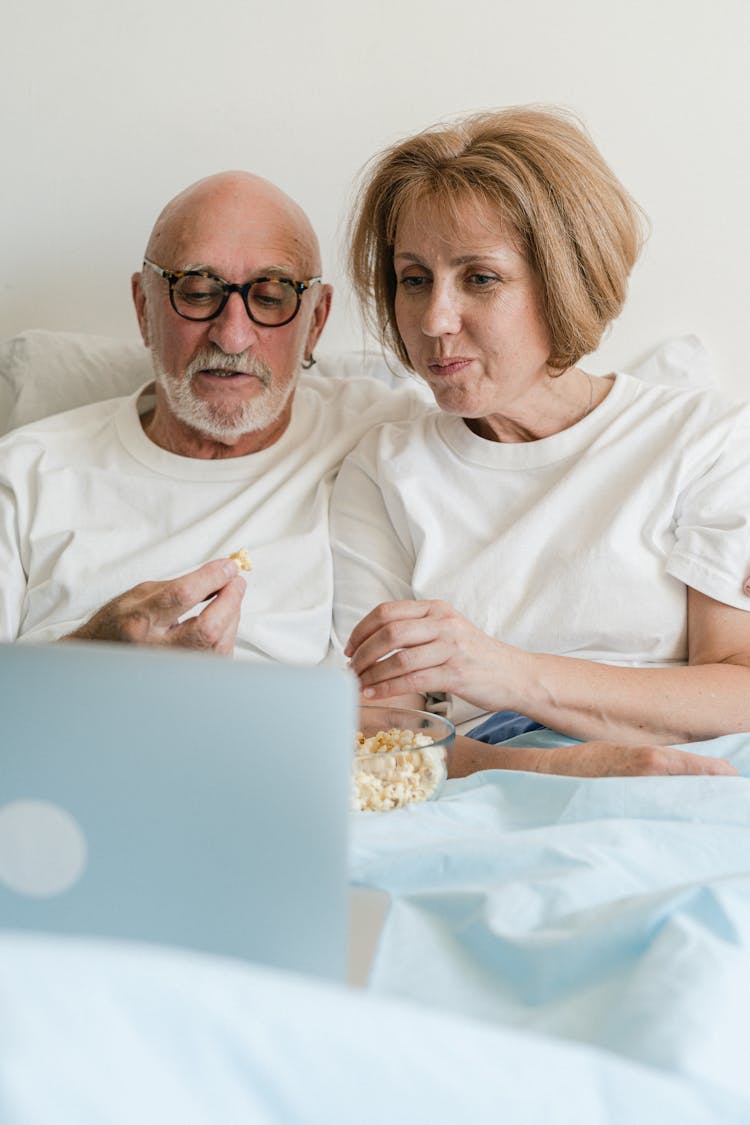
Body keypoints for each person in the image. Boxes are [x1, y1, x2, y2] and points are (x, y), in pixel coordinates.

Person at [331, 105, 750, 778]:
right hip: (490, 776)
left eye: (479, 278)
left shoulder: (702, 440)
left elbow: (740, 686)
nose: (435, 319)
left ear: (565, 280)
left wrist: (505, 671)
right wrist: (560, 769)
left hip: (701, 770)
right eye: (414, 279)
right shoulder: (385, 470)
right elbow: (383, 730)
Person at [0, 171, 425, 659]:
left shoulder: (385, 431)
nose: (232, 337)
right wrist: (88, 659)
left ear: (316, 322)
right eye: (198, 293)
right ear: (144, 308)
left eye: (271, 297)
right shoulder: (22, 475)